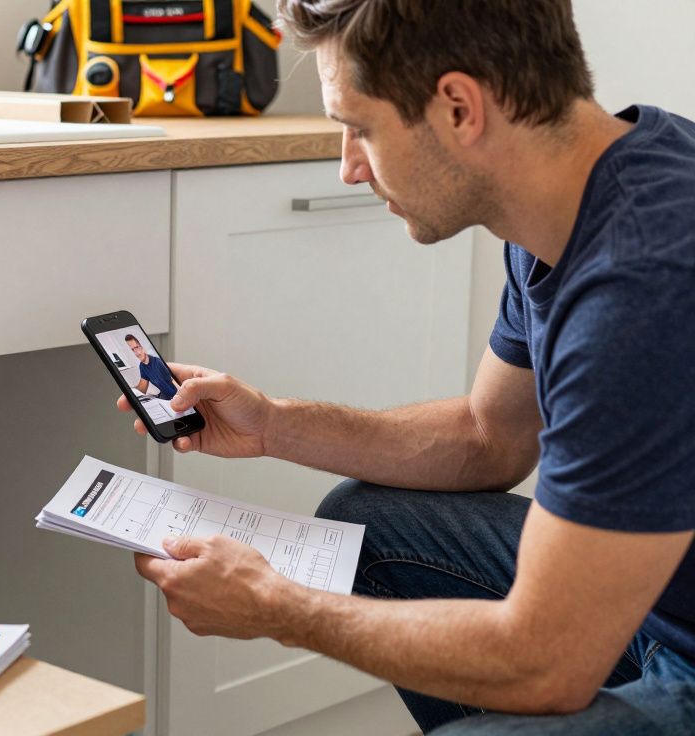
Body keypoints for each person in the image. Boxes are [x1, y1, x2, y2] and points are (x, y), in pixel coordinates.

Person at [121, 1, 695, 733]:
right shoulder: (576, 197)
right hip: (655, 604)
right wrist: (272, 424)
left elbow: (547, 662)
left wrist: (278, 609)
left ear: (459, 107)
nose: (348, 167)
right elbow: (489, 436)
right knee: (366, 525)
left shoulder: (644, 280)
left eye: (359, 127)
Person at [125, 334, 179, 400]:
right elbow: (143, 388)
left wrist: (181, 396)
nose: (137, 353)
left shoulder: (157, 362)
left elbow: (173, 380)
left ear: (143, 347)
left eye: (137, 347)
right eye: (133, 350)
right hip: (164, 395)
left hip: (176, 395)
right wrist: (130, 390)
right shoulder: (142, 366)